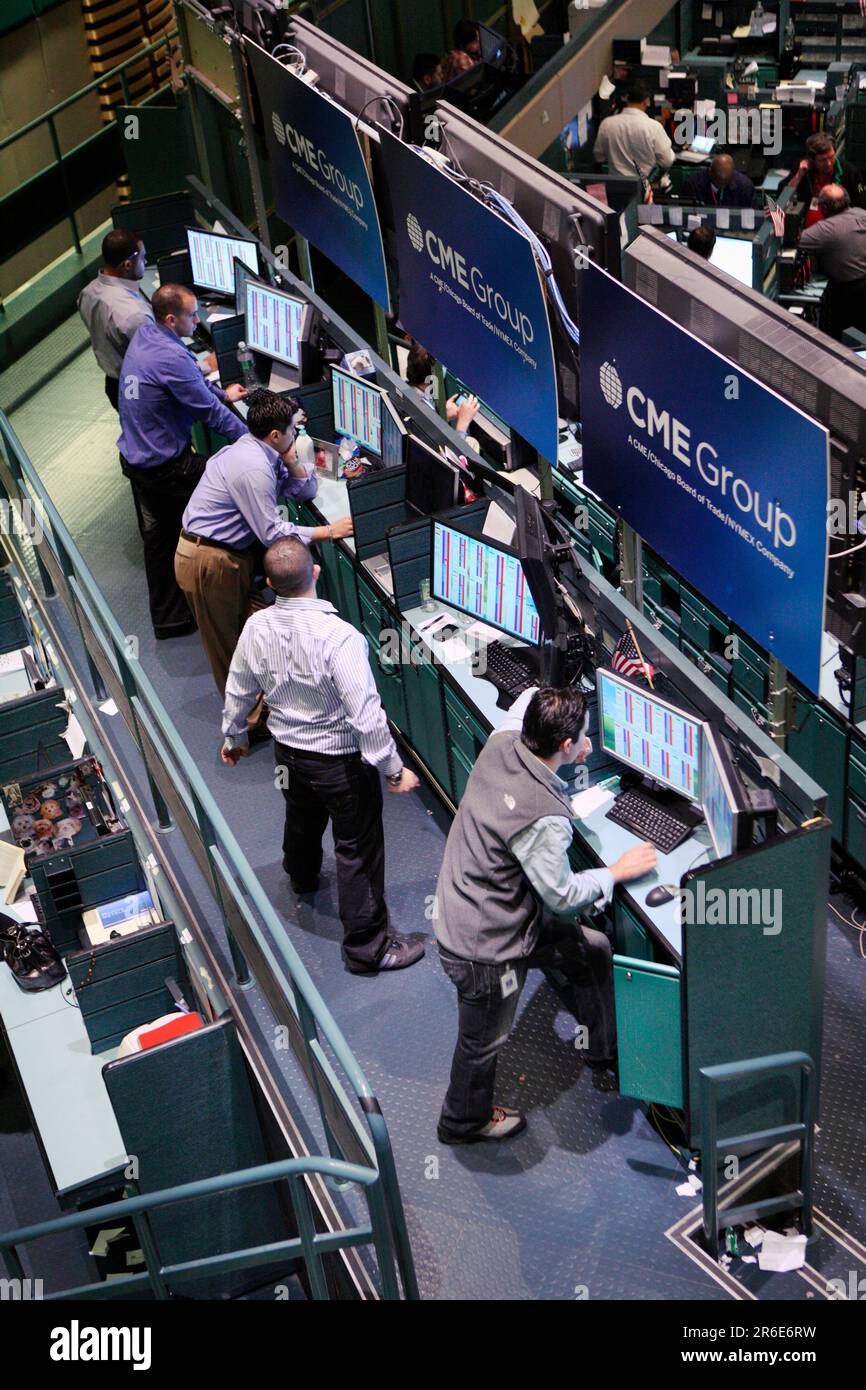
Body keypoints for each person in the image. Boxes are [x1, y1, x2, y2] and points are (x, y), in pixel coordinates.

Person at [433, 685, 657, 1145]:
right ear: (565, 747)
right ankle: (462, 1121)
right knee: (482, 1042)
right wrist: (615, 872)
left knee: (591, 950)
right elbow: (563, 895)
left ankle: (602, 1051)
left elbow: (530, 700)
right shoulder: (545, 819)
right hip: (484, 949)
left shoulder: (503, 743)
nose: (589, 746)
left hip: (479, 908)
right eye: (583, 739)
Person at [221, 537, 424, 975]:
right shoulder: (340, 638)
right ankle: (368, 949)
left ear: (270, 584)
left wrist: (234, 738)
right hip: (340, 765)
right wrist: (393, 770)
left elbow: (238, 686)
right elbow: (366, 714)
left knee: (301, 815)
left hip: (288, 755)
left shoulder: (256, 627)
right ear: (315, 572)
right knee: (357, 850)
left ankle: (302, 875)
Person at [175, 388, 353, 713]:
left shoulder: (260, 450)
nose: (297, 433)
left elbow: (306, 490)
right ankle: (249, 723)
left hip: (227, 558)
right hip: (207, 560)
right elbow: (271, 532)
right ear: (275, 434)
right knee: (228, 646)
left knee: (261, 633)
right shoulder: (253, 467)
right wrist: (327, 532)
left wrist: (293, 459)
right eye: (293, 430)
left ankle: (270, 707)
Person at [117, 284, 248, 639]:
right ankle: (243, 593)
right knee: (232, 481)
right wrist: (255, 443)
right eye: (193, 315)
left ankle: (169, 619)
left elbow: (193, 387)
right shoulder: (170, 357)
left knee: (159, 539)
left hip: (136, 458)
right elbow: (210, 414)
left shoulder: (148, 335)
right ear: (172, 319)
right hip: (165, 467)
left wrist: (223, 392)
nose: (198, 319)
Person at [77, 230, 152, 411]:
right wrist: (204, 367)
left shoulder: (87, 293)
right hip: (140, 390)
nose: (146, 262)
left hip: (114, 384)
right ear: (127, 264)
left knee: (137, 433)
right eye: (142, 258)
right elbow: (157, 365)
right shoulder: (134, 315)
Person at [799, 184, 866, 339]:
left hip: (851, 295)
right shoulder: (862, 213)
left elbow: (795, 241)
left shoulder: (826, 229)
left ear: (822, 208)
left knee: (845, 341)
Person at [593, 79, 674, 179]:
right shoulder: (654, 127)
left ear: (627, 98)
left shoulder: (607, 124)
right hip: (643, 186)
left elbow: (599, 156)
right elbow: (667, 161)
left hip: (615, 186)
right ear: (647, 101)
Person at [787, 133, 866, 229]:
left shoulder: (851, 172)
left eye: (831, 157)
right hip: (807, 229)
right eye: (823, 160)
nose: (828, 163)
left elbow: (862, 198)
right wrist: (799, 175)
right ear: (813, 160)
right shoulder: (802, 168)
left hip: (840, 229)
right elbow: (785, 194)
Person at [404, 343, 480, 434]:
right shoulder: (420, 407)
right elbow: (450, 447)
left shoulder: (408, 391)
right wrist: (463, 422)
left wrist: (442, 416)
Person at [682, 154, 755, 209]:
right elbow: (687, 215)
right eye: (719, 182)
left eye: (726, 182)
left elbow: (752, 217)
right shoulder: (692, 184)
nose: (722, 186)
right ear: (710, 172)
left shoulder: (745, 186)